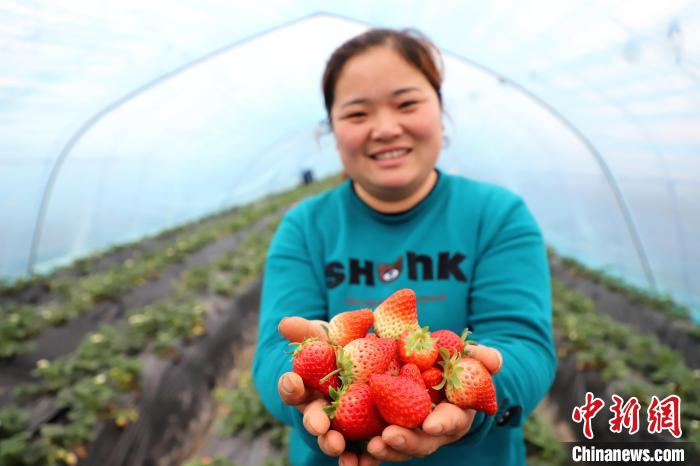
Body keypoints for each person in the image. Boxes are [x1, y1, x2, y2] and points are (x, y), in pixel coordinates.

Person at [252, 28, 556, 466]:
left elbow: (524, 345)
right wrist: (308, 392)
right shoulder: (305, 227)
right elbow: (271, 357)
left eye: (407, 104)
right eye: (358, 113)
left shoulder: (496, 215)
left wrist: (474, 397)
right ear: (331, 130)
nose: (386, 128)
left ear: (440, 110)